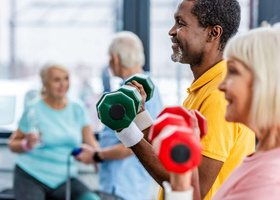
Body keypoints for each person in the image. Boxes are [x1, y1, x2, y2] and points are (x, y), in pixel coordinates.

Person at [107, 1, 255, 200]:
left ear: (213, 33)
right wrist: (140, 115)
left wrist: (127, 132)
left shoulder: (220, 95)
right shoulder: (203, 87)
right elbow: (176, 156)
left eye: (181, 23)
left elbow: (195, 189)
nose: (171, 31)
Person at [165, 23, 280, 200]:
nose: (222, 84)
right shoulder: (260, 160)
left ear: (264, 84)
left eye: (233, 72)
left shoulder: (267, 180)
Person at [75, 31, 163, 200]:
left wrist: (96, 155)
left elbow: (135, 143)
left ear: (114, 59)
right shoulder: (135, 89)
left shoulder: (138, 91)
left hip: (123, 186)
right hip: (123, 185)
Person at [8, 63, 100, 200]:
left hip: (65, 178)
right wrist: (26, 144)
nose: (63, 84)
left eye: (66, 78)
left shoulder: (78, 109)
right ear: (45, 84)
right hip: (31, 175)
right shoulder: (33, 109)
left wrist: (100, 164)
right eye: (56, 80)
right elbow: (12, 144)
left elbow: (92, 144)